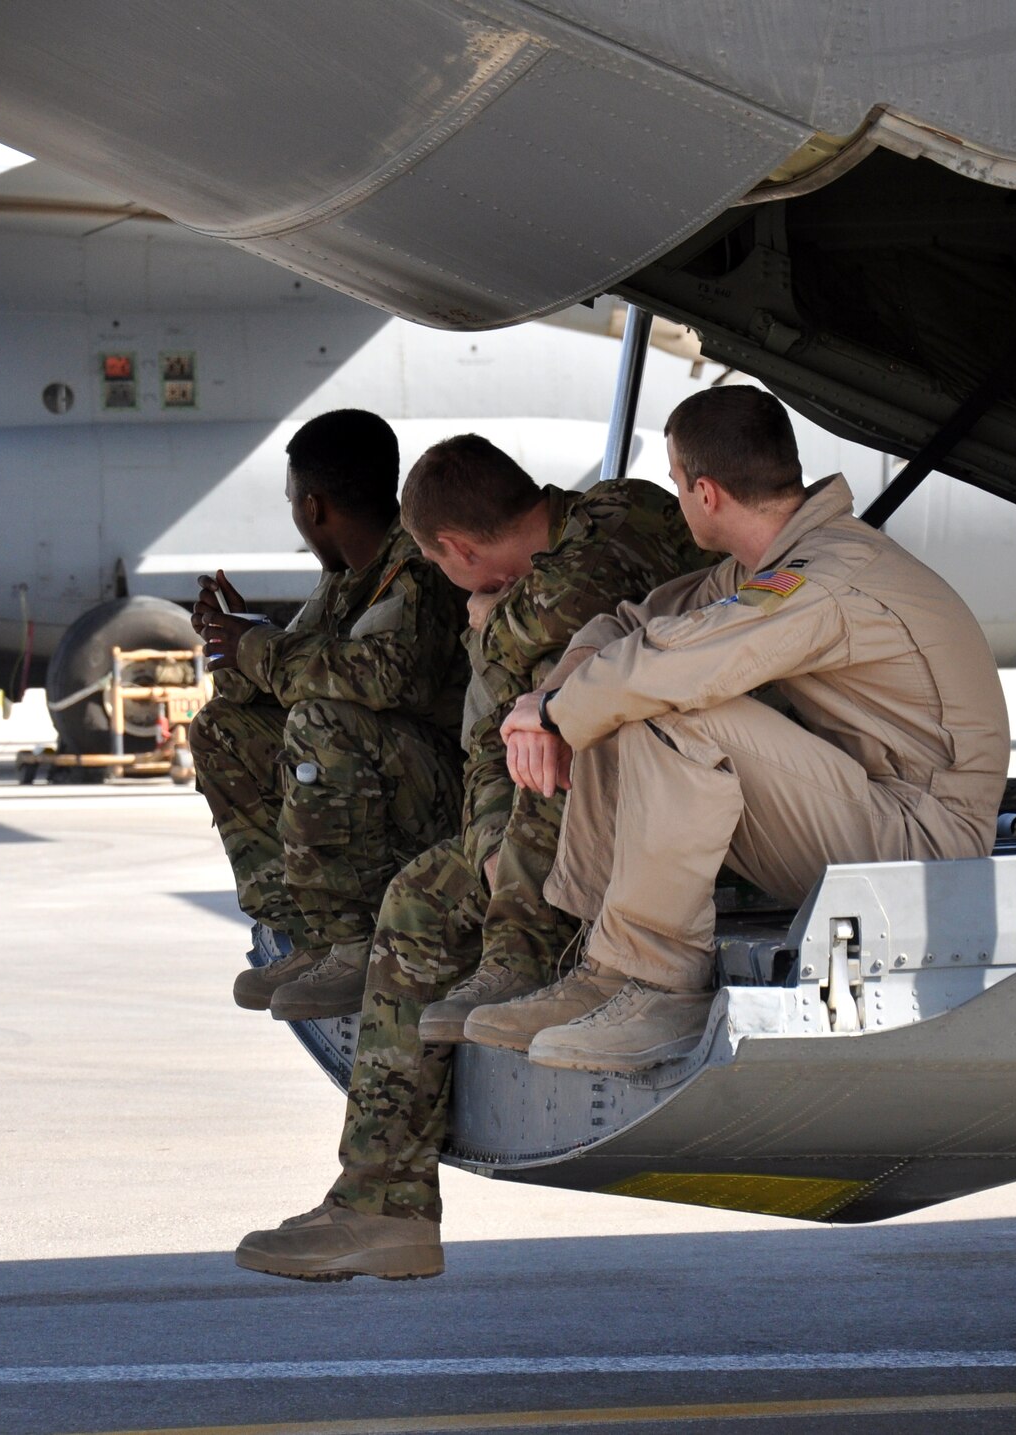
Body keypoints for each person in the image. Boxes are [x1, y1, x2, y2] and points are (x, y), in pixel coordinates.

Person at [234, 434, 703, 1281]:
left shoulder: (620, 516)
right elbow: (493, 735)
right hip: (565, 808)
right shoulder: (523, 584)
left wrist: (492, 624)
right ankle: (383, 1204)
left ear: (453, 550)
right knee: (418, 897)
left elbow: (571, 603)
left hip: (681, 799)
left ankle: (519, 959)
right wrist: (491, 847)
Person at [465, 386, 1010, 1073]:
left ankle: (659, 985)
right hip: (867, 815)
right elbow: (625, 627)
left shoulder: (829, 577)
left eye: (675, 482)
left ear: (706, 493)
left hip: (926, 843)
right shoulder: (763, 567)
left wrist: (550, 716)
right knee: (624, 682)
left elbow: (676, 665)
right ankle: (608, 975)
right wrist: (548, 699)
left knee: (666, 698)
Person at [188, 409, 467, 1015]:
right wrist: (234, 642)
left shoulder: (416, 569)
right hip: (381, 788)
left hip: (448, 800)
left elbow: (393, 677)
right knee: (220, 730)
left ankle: (352, 944)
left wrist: (260, 647)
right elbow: (285, 676)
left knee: (321, 722)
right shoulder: (345, 578)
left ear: (313, 507)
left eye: (292, 501)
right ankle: (307, 935)